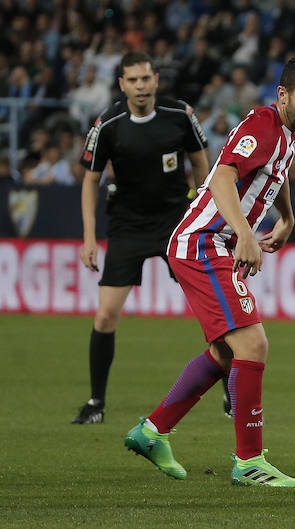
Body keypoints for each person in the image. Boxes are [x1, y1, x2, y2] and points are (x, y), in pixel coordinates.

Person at [123, 57, 295, 487]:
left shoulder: (286, 134)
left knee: (227, 352)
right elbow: (222, 179)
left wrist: (286, 218)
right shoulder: (263, 123)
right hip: (204, 242)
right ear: (283, 95)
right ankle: (249, 461)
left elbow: (277, 172)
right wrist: (245, 234)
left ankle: (151, 431)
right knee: (253, 342)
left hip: (214, 244)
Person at [73, 52, 210, 424]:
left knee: (212, 312)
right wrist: (89, 237)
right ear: (121, 84)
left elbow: (201, 160)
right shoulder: (108, 124)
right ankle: (95, 403)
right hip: (127, 226)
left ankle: (231, 395)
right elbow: (90, 180)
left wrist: (203, 206)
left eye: (146, 79)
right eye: (132, 80)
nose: (140, 86)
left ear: (155, 79)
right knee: (105, 316)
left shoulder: (180, 114)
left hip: (176, 223)